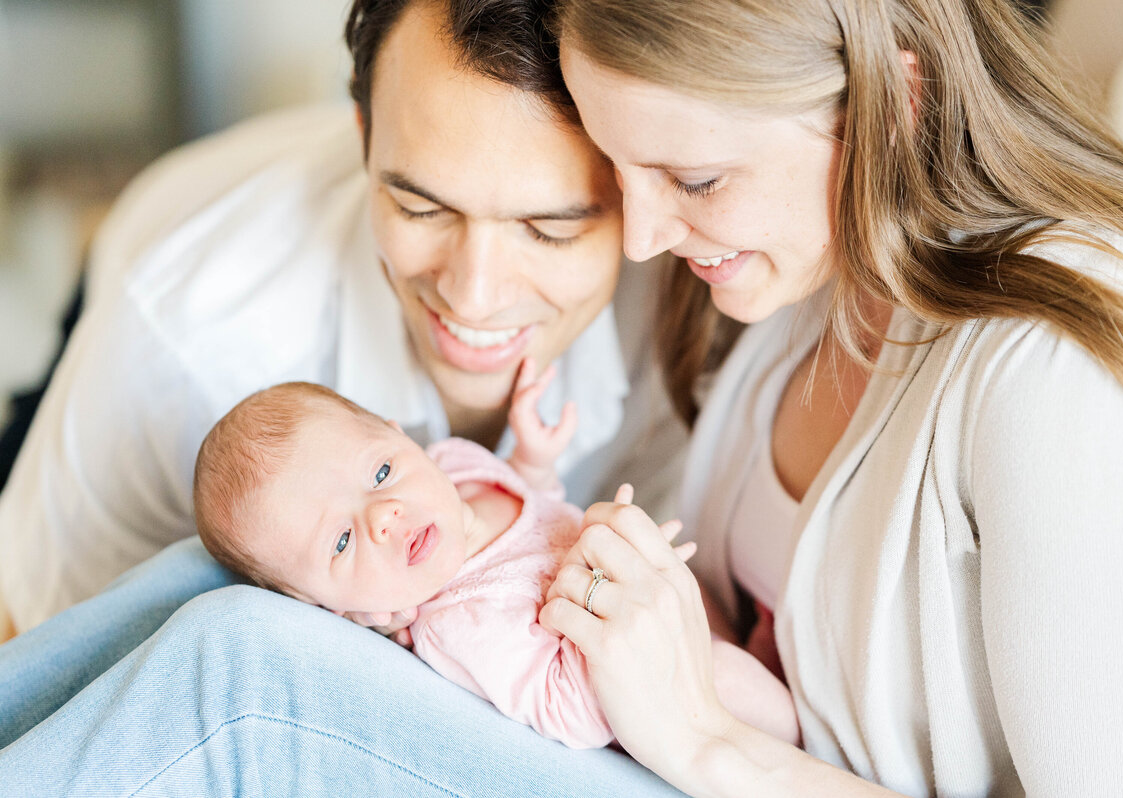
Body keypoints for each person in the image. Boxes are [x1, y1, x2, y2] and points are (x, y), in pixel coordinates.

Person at [0, 0, 692, 794]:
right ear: (362, 135)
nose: (474, 295)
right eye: (420, 206)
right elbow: (37, 643)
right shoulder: (181, 352)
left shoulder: (685, 297)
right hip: (129, 290)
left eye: (550, 229)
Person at [534, 0, 1123, 796]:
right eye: (616, 164)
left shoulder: (1063, 371)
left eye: (696, 180)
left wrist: (704, 743)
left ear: (891, 109)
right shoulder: (822, 264)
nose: (643, 240)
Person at [192, 377, 799, 749]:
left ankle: (751, 649)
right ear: (328, 607)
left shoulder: (455, 466)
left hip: (664, 607)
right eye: (343, 541)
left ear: (400, 436)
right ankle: (795, 737)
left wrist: (533, 461)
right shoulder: (461, 623)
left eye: (381, 472)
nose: (384, 515)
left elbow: (534, 505)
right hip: (655, 698)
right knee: (743, 688)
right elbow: (573, 718)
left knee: (710, 601)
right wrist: (590, 584)